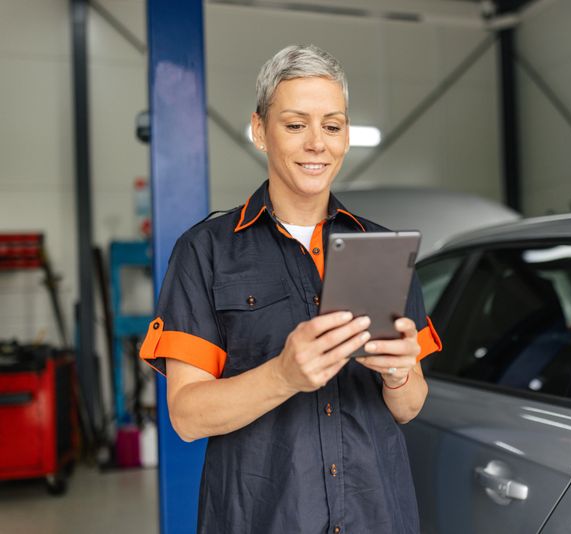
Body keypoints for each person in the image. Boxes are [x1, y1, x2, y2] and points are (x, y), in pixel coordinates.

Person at [139, 44, 442, 534]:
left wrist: (399, 374)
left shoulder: (380, 247)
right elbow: (187, 416)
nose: (316, 143)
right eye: (296, 124)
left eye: (333, 125)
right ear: (260, 130)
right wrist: (283, 375)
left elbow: (408, 408)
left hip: (376, 516)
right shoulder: (207, 251)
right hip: (261, 519)